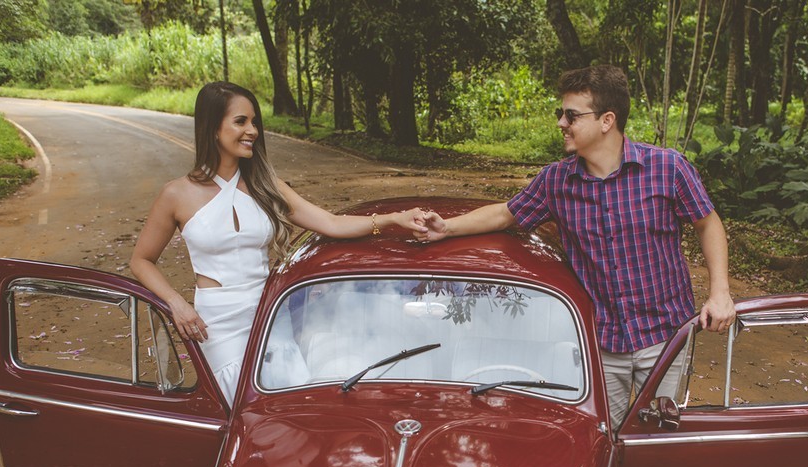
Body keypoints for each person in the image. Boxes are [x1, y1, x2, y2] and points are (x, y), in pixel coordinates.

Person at [417, 65, 736, 428]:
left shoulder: (667, 167)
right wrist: (448, 228)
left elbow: (708, 224)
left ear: (606, 120)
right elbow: (507, 214)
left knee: (656, 434)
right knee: (601, 437)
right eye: (561, 113)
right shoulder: (557, 180)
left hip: (665, 335)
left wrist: (720, 292)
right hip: (599, 340)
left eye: (571, 115)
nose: (561, 123)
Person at [130, 81, 426, 403]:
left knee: (288, 397)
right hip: (216, 323)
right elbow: (141, 260)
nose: (253, 130)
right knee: (238, 405)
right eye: (241, 121)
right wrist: (176, 303)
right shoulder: (177, 194)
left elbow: (330, 223)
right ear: (213, 128)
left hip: (267, 312)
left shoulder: (266, 185)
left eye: (254, 122)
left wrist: (392, 218)